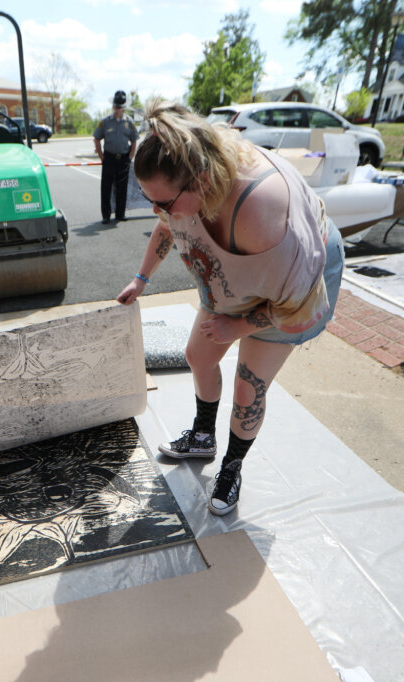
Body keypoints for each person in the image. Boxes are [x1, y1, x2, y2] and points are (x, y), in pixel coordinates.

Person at [116, 102, 344, 516]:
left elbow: (295, 306)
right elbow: (168, 225)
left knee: (248, 388)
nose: (158, 212)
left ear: (202, 182)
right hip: (248, 270)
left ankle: (232, 466)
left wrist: (237, 326)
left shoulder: (263, 213)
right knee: (197, 356)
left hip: (294, 287)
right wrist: (142, 278)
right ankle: (204, 436)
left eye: (164, 203)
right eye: (151, 201)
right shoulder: (187, 184)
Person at [94, 90, 139, 224]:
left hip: (123, 159)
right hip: (109, 158)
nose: (118, 109)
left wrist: (130, 156)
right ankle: (106, 216)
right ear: (113, 106)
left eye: (120, 106)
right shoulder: (105, 122)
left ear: (124, 108)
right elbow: (96, 138)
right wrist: (102, 157)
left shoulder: (130, 122)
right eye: (116, 106)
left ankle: (120, 214)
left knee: (122, 188)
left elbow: (134, 140)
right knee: (106, 188)